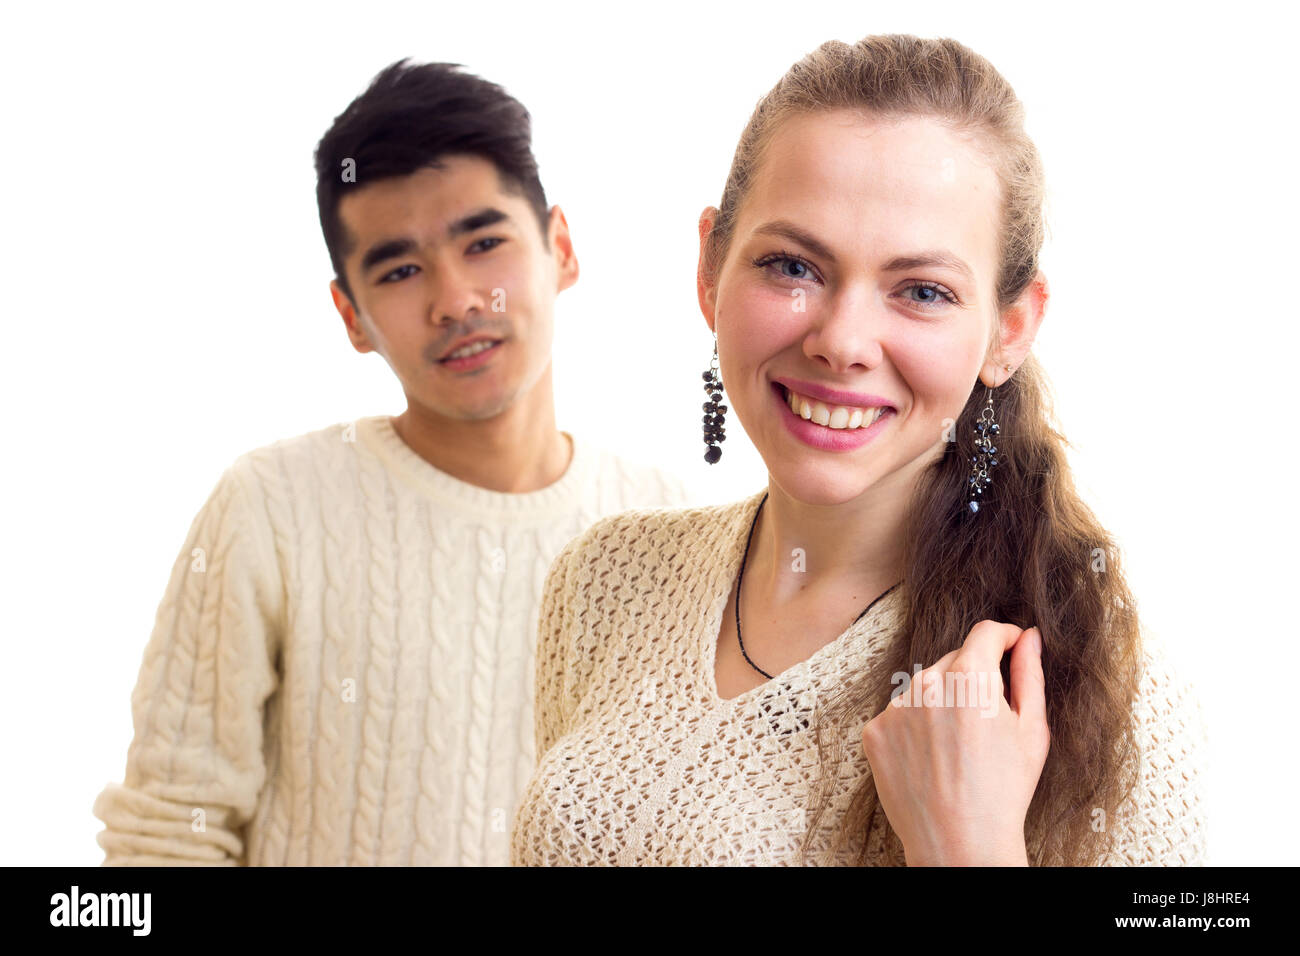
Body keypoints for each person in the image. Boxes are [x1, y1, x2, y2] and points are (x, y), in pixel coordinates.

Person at [510, 34, 1208, 866]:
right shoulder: (605, 579)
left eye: (922, 291)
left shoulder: (1094, 678)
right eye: (793, 265)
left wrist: (968, 845)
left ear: (1009, 329)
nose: (841, 341)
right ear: (710, 267)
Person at [91, 59, 693, 866]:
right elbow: (168, 830)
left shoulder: (669, 532)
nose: (455, 300)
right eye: (401, 269)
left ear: (562, 249)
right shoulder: (271, 509)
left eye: (484, 242)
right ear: (353, 316)